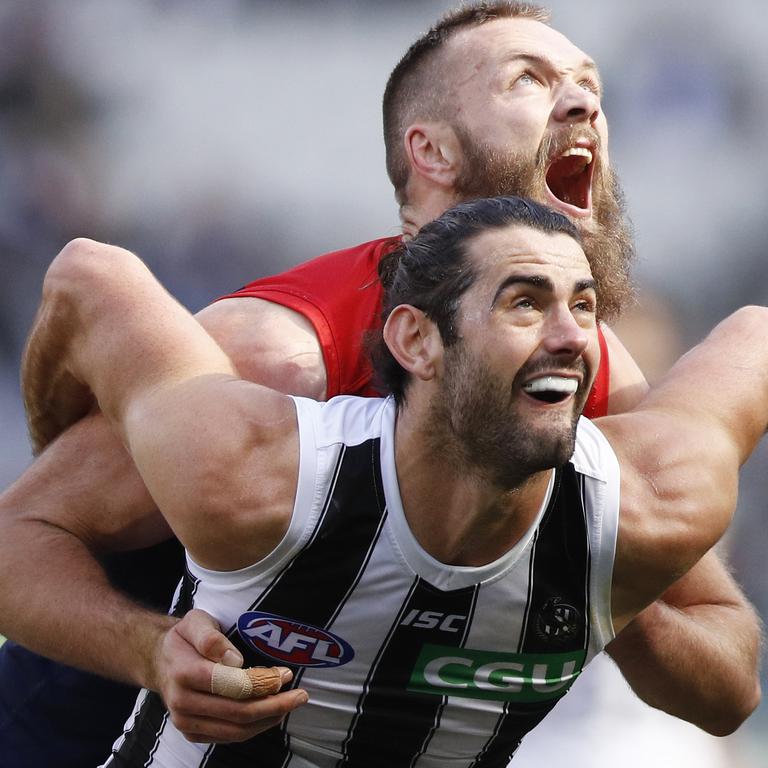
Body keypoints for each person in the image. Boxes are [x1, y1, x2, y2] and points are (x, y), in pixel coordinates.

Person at [0, 2, 760, 765]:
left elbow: (726, 684)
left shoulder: (592, 389)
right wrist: (146, 649)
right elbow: (16, 539)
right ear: (430, 151)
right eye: (529, 80)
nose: (584, 101)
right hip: (85, 734)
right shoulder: (281, 361)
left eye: (591, 83)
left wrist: (604, 595)